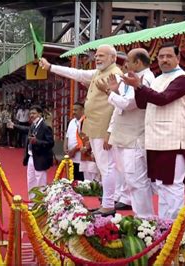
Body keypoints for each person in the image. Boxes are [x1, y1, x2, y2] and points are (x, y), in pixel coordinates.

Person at [40, 44, 123, 216]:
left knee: (107, 167)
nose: (97, 58)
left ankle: (108, 205)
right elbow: (77, 74)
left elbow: (120, 106)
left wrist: (110, 131)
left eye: (102, 56)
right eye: (97, 55)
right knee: (103, 166)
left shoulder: (115, 75)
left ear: (113, 58)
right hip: (95, 126)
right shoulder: (99, 73)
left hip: (104, 128)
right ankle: (107, 203)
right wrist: (50, 67)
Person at [121, 42, 185, 220]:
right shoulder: (157, 78)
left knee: (172, 186)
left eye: (169, 56)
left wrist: (140, 86)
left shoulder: (182, 79)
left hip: (172, 140)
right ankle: (164, 226)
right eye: (161, 56)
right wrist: (136, 87)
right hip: (155, 139)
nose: (164, 60)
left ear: (178, 58)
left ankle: (175, 229)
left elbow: (163, 99)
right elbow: (142, 104)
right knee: (162, 186)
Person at [97, 48, 156, 218]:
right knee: (130, 181)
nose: (125, 65)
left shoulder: (146, 79)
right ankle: (141, 218)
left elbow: (129, 104)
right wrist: (115, 91)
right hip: (124, 136)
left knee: (136, 181)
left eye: (128, 61)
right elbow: (120, 106)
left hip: (135, 137)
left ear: (138, 62)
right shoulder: (130, 79)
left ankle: (145, 219)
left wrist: (109, 92)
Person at [9, 105, 54, 201]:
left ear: (40, 113)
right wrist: (14, 126)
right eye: (30, 113)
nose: (31, 115)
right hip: (30, 157)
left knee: (40, 182)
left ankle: (40, 205)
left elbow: (50, 143)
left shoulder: (45, 126)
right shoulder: (33, 125)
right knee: (31, 181)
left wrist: (36, 141)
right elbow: (26, 130)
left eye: (34, 113)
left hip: (40, 158)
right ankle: (32, 203)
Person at [64, 103, 86, 181]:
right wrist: (65, 147)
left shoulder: (85, 122)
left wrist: (74, 150)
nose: (73, 112)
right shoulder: (72, 122)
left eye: (76, 110)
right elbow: (67, 136)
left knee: (80, 181)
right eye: (73, 110)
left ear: (82, 110)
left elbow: (84, 140)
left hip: (81, 157)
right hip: (71, 157)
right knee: (72, 180)